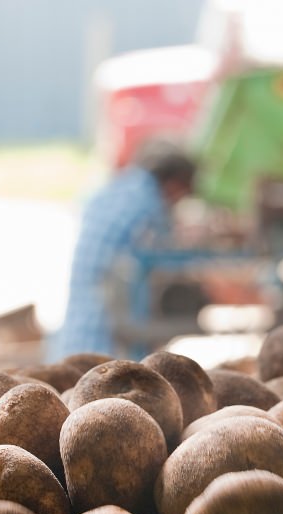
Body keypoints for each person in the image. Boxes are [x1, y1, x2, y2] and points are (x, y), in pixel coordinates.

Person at [55, 140, 194, 359]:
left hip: (76, 332)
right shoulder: (149, 204)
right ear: (174, 183)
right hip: (106, 334)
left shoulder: (116, 189)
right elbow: (170, 262)